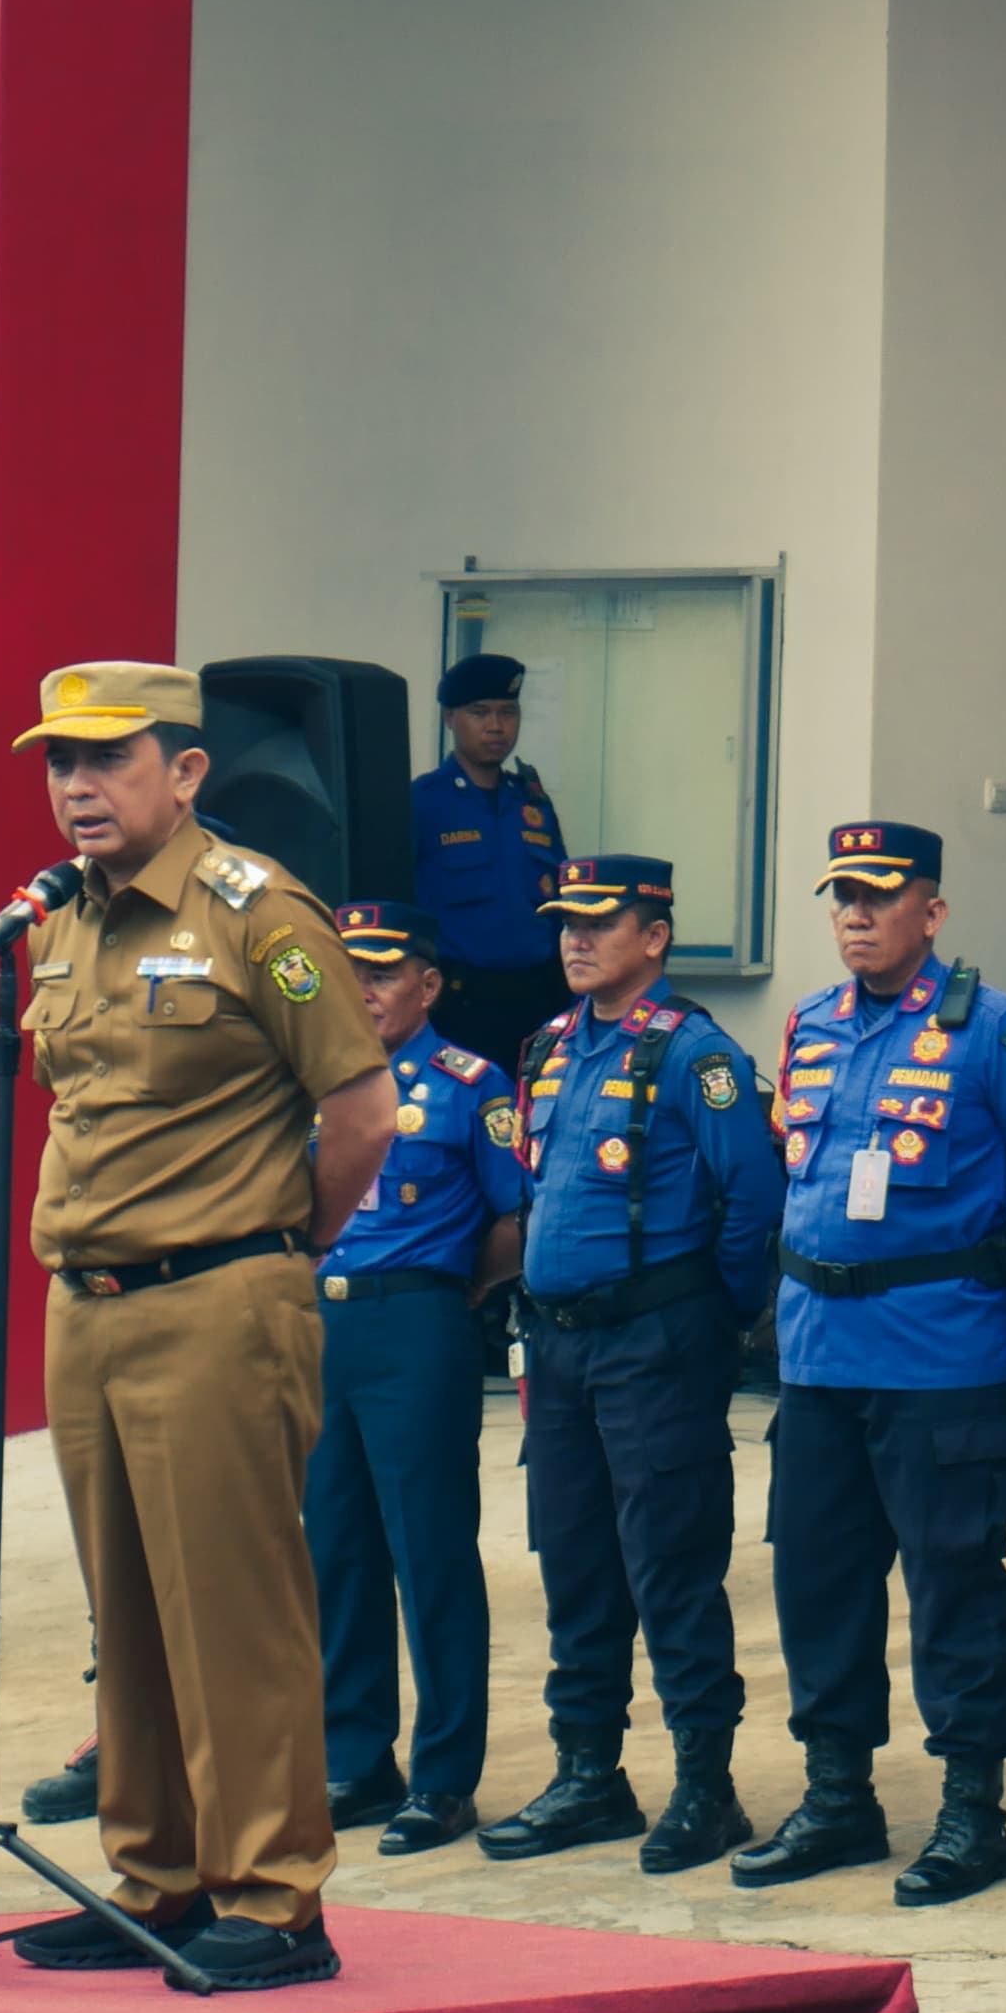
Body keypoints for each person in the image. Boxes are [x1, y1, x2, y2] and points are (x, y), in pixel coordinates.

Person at [2, 660, 393, 1994]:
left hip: (222, 1298)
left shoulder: (257, 912)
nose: (75, 787)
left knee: (234, 1609)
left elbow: (361, 1110)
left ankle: (276, 1899)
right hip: (88, 1304)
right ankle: (153, 1879)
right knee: (133, 1613)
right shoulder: (58, 921)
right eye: (59, 762)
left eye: (107, 760)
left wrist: (275, 1248)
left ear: (186, 772)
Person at [740, 821, 1006, 1904]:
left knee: (951, 1588)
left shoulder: (996, 1032)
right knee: (818, 1581)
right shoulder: (807, 1026)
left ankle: (971, 1812)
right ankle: (837, 1795)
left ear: (929, 914)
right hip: (819, 1359)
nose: (854, 914)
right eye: (840, 894)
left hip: (942, 1356)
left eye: (878, 897)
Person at [477, 857, 784, 1872]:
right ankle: (588, 1776)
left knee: (671, 1564)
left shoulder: (696, 1055)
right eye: (565, 921)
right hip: (559, 1346)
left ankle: (705, 1786)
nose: (574, 939)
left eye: (598, 923)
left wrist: (713, 1316)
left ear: (653, 936)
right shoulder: (552, 1047)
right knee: (573, 1561)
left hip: (655, 1340)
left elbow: (751, 1202)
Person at [302, 903, 529, 1858]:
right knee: (336, 1551)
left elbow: (514, 1216)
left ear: (427, 986)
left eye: (383, 973)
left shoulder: (471, 1085)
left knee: (428, 1552)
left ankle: (443, 1777)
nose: (361, 991)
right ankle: (355, 1757)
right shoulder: (309, 1081)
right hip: (320, 1326)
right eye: (348, 971)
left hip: (418, 1325)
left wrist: (455, 1289)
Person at [411, 651, 571, 1071]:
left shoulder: (533, 804)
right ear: (449, 717)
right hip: (459, 1004)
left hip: (541, 1000)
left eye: (508, 712)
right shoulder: (422, 803)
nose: (496, 726)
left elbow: (562, 904)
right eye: (479, 713)